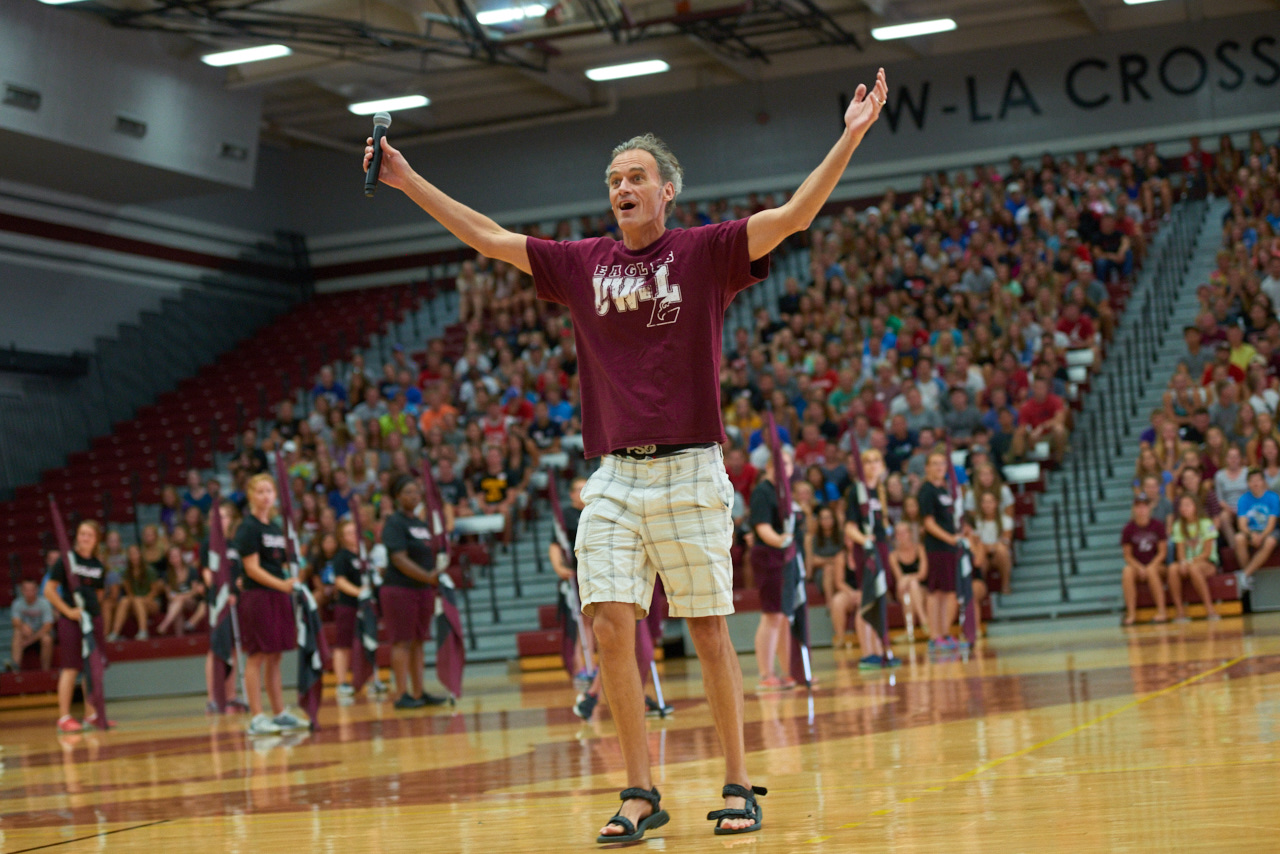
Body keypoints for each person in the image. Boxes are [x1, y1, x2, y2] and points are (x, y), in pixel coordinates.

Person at [366, 64, 889, 840]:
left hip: (690, 468)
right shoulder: (583, 265)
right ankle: (639, 791)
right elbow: (488, 237)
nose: (623, 187)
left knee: (709, 629)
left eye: (637, 176)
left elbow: (796, 214)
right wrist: (407, 180)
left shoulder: (706, 253)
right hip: (612, 475)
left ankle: (739, 783)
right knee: (609, 623)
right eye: (614, 178)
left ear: (666, 190)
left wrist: (849, 136)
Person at [235, 473, 307, 736]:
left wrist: (294, 576)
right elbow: (252, 569)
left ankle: (279, 713)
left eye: (269, 491)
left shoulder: (276, 528)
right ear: (251, 495)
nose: (266, 496)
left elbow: (282, 564)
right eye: (260, 491)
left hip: (278, 595)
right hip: (259, 597)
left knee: (275, 656)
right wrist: (282, 585)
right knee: (257, 655)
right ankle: (256, 716)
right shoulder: (248, 528)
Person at [380, 474, 449, 709]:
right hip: (399, 590)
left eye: (416, 492)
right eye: (408, 492)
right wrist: (428, 576)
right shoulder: (394, 523)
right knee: (402, 642)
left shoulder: (421, 524)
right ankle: (401, 694)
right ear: (398, 497)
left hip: (422, 591)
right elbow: (398, 558)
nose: (413, 496)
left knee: (419, 641)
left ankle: (419, 692)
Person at [43, 520, 109, 732]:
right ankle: (64, 717)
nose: (85, 538)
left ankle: (91, 714)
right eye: (81, 534)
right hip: (71, 620)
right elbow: (49, 591)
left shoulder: (98, 565)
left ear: (96, 539)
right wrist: (68, 611)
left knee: (93, 668)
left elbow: (98, 595)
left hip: (92, 620)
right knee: (70, 667)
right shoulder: (66, 561)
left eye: (89, 535)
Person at [749, 445, 795, 690]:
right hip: (769, 557)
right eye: (778, 465)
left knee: (784, 615)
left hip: (785, 557)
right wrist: (782, 541)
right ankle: (766, 673)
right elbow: (762, 527)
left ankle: (788, 671)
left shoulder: (785, 493)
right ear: (769, 468)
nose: (783, 469)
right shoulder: (763, 493)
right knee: (772, 615)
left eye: (787, 465)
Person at [842, 448, 894, 667]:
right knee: (868, 597)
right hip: (866, 550)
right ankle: (867, 652)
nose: (873, 465)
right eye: (868, 461)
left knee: (880, 597)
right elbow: (849, 528)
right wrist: (864, 541)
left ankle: (880, 649)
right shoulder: (857, 491)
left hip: (880, 548)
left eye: (876, 460)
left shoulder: (880, 491)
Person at [918, 451, 962, 651]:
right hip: (937, 548)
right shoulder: (927, 491)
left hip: (949, 548)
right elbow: (928, 523)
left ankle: (945, 632)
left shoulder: (945, 490)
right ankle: (934, 635)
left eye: (942, 464)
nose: (939, 467)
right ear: (927, 467)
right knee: (935, 592)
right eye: (934, 464)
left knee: (948, 592)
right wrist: (950, 538)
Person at [1168, 494, 1221, 622]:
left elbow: (1207, 553)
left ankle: (1210, 610)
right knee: (1172, 569)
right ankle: (1180, 611)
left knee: (1194, 569)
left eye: (1187, 505)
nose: (1184, 508)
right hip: (1188, 563)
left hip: (1207, 563)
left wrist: (1189, 562)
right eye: (1181, 505)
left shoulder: (1207, 523)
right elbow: (1180, 551)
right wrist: (1182, 562)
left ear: (1195, 507)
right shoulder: (1177, 525)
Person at [1120, 497, 1168, 626]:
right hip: (1138, 566)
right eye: (1139, 507)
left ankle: (1162, 611)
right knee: (1127, 571)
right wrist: (1140, 567)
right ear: (1134, 509)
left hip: (1157, 565)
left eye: (1144, 506)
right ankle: (1131, 613)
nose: (1142, 510)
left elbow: (1162, 552)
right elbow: (1127, 556)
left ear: (1149, 508)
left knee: (1152, 570)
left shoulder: (1157, 525)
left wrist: (1150, 566)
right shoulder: (1128, 528)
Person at [1233, 468, 1279, 590]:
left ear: (1264, 481)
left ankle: (1245, 574)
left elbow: (1271, 524)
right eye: (1252, 481)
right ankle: (1249, 577)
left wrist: (1261, 536)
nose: (1255, 483)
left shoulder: (1273, 497)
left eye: (1258, 480)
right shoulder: (1243, 499)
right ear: (1248, 483)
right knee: (1238, 538)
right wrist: (1251, 534)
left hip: (1268, 532)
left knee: (1270, 541)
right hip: (1252, 532)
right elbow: (1242, 525)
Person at [108, 545, 160, 641]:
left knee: (138, 600)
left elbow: (154, 591)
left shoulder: (149, 570)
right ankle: (115, 633)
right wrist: (136, 602)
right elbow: (129, 593)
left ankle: (143, 631)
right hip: (135, 602)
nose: (133, 556)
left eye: (135, 553)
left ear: (140, 554)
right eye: (131, 554)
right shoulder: (126, 572)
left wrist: (143, 600)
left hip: (151, 601)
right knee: (124, 600)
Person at [887, 524, 931, 639]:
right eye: (899, 534)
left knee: (912, 586)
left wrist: (908, 578)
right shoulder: (893, 556)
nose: (902, 536)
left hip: (922, 589)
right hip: (903, 590)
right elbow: (900, 580)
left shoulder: (920, 549)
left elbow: (922, 574)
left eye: (904, 532)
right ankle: (924, 621)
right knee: (910, 587)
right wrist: (909, 579)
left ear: (910, 533)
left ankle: (910, 631)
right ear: (895, 536)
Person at [8, 578, 53, 672]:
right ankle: (15, 669)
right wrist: (23, 626)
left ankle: (46, 671)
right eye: (26, 590)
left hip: (39, 634)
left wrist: (30, 641)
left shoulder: (44, 603)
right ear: (22, 591)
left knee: (47, 639)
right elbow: (15, 622)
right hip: (26, 634)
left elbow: (47, 626)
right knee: (17, 632)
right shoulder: (17, 603)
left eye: (32, 589)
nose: (29, 592)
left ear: (36, 590)